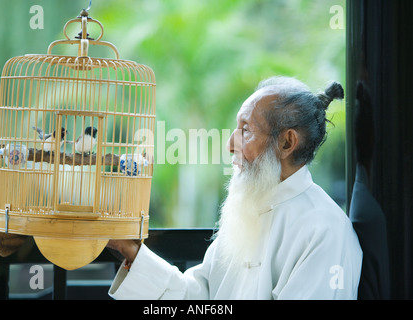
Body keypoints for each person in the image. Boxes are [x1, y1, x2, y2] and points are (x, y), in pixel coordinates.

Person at [107, 76, 363, 300]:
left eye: (246, 130)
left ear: (287, 143)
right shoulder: (249, 213)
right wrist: (132, 252)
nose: (230, 144)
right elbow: (197, 296)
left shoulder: (324, 231)